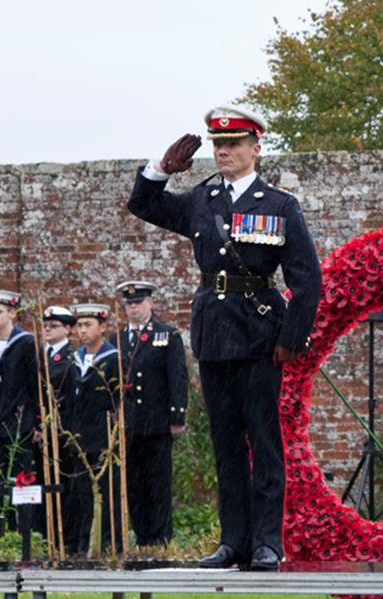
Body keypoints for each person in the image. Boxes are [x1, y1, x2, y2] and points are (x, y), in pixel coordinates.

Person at [128, 106, 322, 572]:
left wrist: (293, 337)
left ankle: (267, 543)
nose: (224, 152)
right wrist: (159, 171)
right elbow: (145, 205)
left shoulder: (278, 205)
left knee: (263, 439)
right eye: (218, 145)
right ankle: (233, 541)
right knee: (225, 443)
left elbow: (307, 278)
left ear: (255, 148)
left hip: (258, 333)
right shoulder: (203, 197)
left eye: (233, 144)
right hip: (214, 331)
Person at [115, 281, 188, 547]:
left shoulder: (166, 335)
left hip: (157, 421)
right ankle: (143, 535)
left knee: (158, 483)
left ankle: (161, 537)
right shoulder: (118, 339)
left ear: (150, 304)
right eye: (129, 304)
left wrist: (177, 416)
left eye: (138, 303)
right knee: (134, 483)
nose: (133, 308)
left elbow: (177, 378)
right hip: (130, 424)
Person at [59, 304, 122, 557]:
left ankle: (108, 543)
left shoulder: (112, 358)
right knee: (83, 495)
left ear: (103, 327)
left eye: (88, 325)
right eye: (79, 326)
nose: (82, 331)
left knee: (107, 494)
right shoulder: (76, 360)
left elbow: (118, 400)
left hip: (103, 436)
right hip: (79, 437)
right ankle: (86, 543)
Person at [0, 291, 41, 498]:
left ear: (12, 313)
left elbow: (35, 386)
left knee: (22, 481)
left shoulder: (26, 343)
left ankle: (23, 526)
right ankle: (1, 526)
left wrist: (37, 422)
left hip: (21, 422)